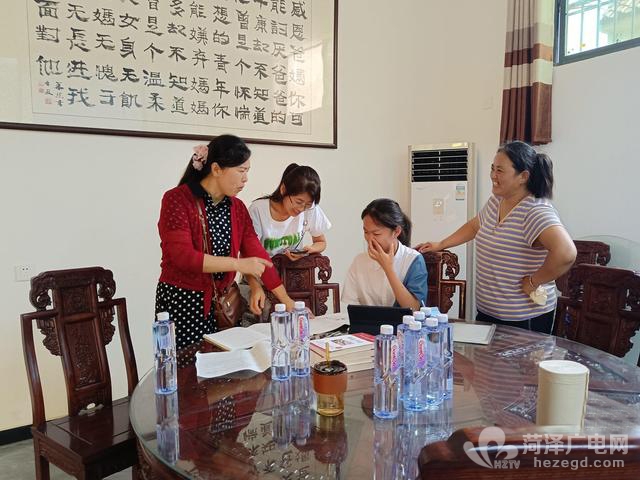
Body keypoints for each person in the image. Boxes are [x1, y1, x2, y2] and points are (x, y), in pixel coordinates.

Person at [416, 141, 577, 334]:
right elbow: (475, 225)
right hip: (488, 312)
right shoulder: (497, 201)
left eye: (500, 170)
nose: (493, 175)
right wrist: (441, 244)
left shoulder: (535, 211)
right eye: (492, 168)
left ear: (523, 176)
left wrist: (534, 281)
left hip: (523, 318)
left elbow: (566, 253)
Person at [155, 134, 294, 348]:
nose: (245, 179)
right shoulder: (177, 199)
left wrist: (288, 302)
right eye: (241, 171)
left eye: (247, 171)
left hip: (225, 305)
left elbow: (257, 255)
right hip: (182, 302)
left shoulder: (237, 208)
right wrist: (238, 264)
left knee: (227, 364)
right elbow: (183, 256)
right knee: (187, 366)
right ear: (216, 169)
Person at [342, 199, 427, 310]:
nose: (369, 239)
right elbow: (349, 305)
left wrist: (388, 269)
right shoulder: (359, 261)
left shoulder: (413, 260)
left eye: (376, 233)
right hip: (366, 322)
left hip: (401, 322)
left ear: (396, 231)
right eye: (366, 232)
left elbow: (414, 308)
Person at [248, 163, 331, 262]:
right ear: (283, 189)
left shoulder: (310, 209)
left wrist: (309, 250)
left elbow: (321, 242)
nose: (302, 209)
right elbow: (249, 251)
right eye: (298, 202)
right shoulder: (258, 209)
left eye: (308, 204)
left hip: (294, 269)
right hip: (262, 268)